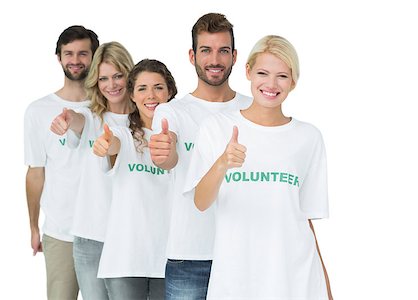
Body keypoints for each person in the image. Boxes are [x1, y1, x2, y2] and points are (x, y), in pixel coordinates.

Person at [186, 35, 333, 299]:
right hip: (236, 279)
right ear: (248, 72)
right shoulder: (217, 128)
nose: (271, 84)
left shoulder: (309, 137)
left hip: (294, 281)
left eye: (282, 76)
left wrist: (326, 287)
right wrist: (222, 163)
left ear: (294, 82)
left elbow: (305, 219)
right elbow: (200, 202)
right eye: (263, 73)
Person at [149, 13, 252, 299]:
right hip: (188, 255)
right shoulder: (172, 113)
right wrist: (165, 153)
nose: (215, 60)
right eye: (206, 50)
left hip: (243, 254)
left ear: (234, 56)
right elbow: (167, 159)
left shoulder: (253, 110)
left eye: (223, 51)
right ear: (192, 55)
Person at [50, 41, 134, 300]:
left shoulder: (142, 120)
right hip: (90, 238)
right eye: (104, 78)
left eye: (118, 75)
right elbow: (76, 120)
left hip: (128, 237)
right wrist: (66, 121)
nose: (112, 85)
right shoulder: (90, 117)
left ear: (129, 75)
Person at [24, 25, 99, 300]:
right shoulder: (37, 111)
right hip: (60, 232)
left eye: (83, 53)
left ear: (94, 57)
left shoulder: (108, 107)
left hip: (103, 231)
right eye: (68, 54)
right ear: (59, 57)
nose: (75, 60)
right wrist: (33, 226)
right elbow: (35, 172)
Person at [93, 59, 177, 300]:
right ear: (132, 94)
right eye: (142, 88)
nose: (151, 95)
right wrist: (105, 145)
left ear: (169, 91)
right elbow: (113, 144)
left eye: (158, 87)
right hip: (125, 261)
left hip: (168, 260)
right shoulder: (122, 134)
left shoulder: (182, 137)